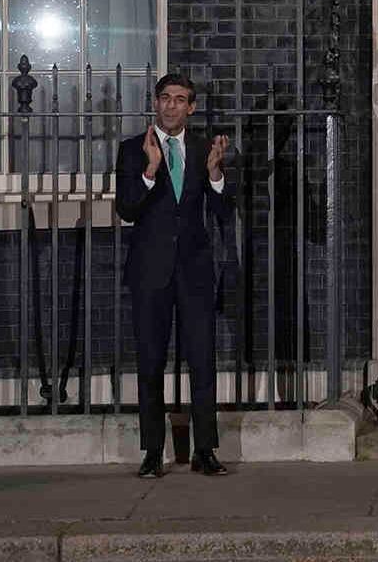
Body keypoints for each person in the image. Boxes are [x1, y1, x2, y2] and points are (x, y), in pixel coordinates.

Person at [116, 74, 231, 478]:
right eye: (165, 98)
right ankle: (152, 452)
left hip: (195, 271)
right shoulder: (133, 150)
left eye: (180, 100)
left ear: (191, 107)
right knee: (150, 363)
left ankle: (204, 451)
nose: (171, 106)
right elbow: (126, 210)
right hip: (150, 272)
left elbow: (222, 212)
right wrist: (150, 169)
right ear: (156, 102)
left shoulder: (203, 149)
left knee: (202, 361)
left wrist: (216, 175)